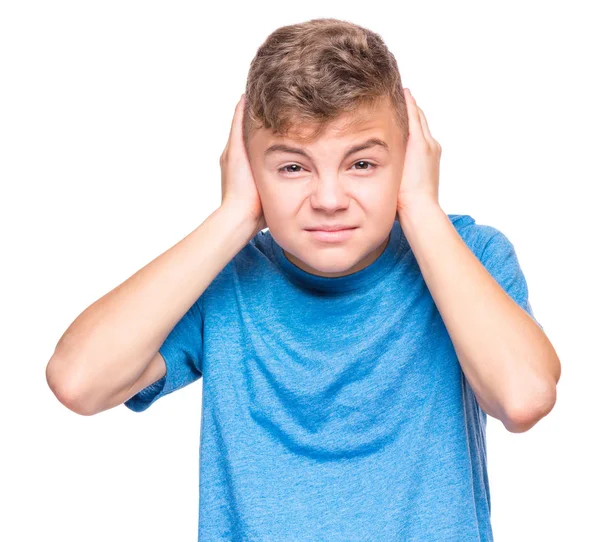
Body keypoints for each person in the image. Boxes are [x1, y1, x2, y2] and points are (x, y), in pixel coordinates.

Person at [46, 17, 561, 541]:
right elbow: (79, 381)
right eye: (293, 168)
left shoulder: (468, 256)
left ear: (408, 158)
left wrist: (421, 208)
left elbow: (522, 399)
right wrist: (235, 216)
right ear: (249, 165)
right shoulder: (227, 277)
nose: (330, 199)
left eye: (362, 163)